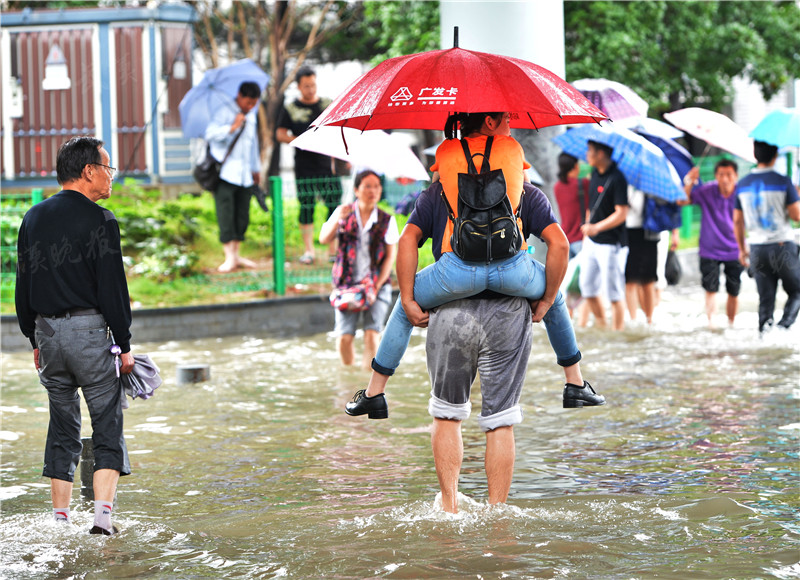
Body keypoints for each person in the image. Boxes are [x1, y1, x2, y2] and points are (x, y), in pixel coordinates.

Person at [345, 112, 604, 420]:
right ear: (490, 123)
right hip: (514, 270)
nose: (510, 123)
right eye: (505, 118)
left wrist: (409, 298)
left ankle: (375, 394)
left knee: (403, 309)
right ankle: (574, 383)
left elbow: (406, 240)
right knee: (557, 297)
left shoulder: (439, 188)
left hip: (457, 272)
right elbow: (559, 244)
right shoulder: (524, 186)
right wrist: (547, 298)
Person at [15, 137, 134, 535]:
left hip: (46, 334)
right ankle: (102, 520)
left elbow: (23, 285)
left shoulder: (32, 218)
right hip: (88, 333)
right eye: (108, 168)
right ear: (88, 171)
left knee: (62, 426)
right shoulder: (102, 220)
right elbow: (112, 290)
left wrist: (33, 339)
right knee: (107, 424)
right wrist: (125, 345)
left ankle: (60, 522)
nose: (110, 177)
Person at [427, 295, 533, 513]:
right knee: (501, 418)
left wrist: (408, 301)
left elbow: (407, 259)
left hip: (451, 304)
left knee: (447, 412)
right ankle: (498, 513)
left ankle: (449, 510)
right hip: (508, 310)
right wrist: (549, 299)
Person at [319, 170, 399, 371]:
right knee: (345, 336)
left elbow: (390, 256)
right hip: (346, 283)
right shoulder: (344, 213)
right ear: (356, 190)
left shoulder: (386, 220)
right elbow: (323, 239)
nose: (373, 191)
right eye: (367, 186)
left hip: (377, 283)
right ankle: (349, 376)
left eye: (377, 186)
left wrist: (376, 285)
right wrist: (337, 217)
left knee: (372, 333)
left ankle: (367, 384)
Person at [277, 66, 342, 264]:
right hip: (303, 168)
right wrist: (300, 141)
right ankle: (309, 251)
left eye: (313, 85)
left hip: (326, 166)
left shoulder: (327, 104)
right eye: (306, 86)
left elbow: (338, 128)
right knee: (306, 207)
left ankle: (333, 251)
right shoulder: (290, 108)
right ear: (298, 87)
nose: (310, 89)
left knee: (333, 206)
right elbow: (280, 133)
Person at [733, 140, 800, 334]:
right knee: (797, 291)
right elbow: (796, 216)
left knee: (765, 300)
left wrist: (741, 249)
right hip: (781, 246)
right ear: (775, 155)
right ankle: (783, 327)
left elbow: (737, 221)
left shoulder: (743, 184)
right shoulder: (783, 181)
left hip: (756, 248)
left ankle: (765, 334)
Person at [205, 81, 263, 273]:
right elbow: (210, 134)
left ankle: (237, 255)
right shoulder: (224, 111)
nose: (250, 106)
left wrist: (256, 168)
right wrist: (232, 127)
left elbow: (252, 144)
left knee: (242, 216)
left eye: (253, 102)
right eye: (248, 102)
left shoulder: (252, 116)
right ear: (239, 95)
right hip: (225, 173)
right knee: (226, 215)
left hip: (245, 174)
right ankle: (229, 257)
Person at [679, 160, 743, 327]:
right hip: (710, 249)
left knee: (734, 290)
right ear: (716, 176)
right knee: (710, 288)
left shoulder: (742, 193)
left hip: (735, 249)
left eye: (729, 174)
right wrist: (689, 182)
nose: (725, 179)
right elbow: (683, 201)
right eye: (721, 174)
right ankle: (711, 324)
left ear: (735, 176)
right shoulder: (707, 191)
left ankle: (731, 323)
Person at [578, 140, 629, 330]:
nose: (587, 154)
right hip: (591, 241)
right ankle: (602, 324)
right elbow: (591, 207)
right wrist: (588, 231)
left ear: (601, 154)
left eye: (590, 151)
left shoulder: (618, 178)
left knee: (614, 293)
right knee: (587, 288)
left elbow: (622, 213)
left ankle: (618, 332)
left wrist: (597, 227)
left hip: (611, 243)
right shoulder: (594, 174)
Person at [624, 187, 659, 325]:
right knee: (630, 281)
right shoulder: (623, 182)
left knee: (648, 280)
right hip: (628, 233)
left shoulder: (651, 185)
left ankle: (649, 319)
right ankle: (633, 320)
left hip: (648, 233)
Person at [553, 153, 589, 259]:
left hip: (565, 239)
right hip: (581, 239)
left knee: (568, 275)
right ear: (575, 166)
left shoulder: (557, 187)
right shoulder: (584, 184)